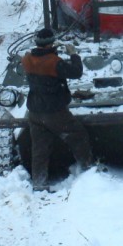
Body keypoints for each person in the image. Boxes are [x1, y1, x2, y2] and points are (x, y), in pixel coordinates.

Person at [21, 27, 93, 191]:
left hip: (35, 111)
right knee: (77, 135)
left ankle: (39, 183)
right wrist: (73, 54)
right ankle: (89, 171)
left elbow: (38, 62)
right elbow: (76, 72)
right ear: (50, 43)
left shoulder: (27, 59)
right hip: (54, 111)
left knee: (39, 149)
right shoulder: (54, 62)